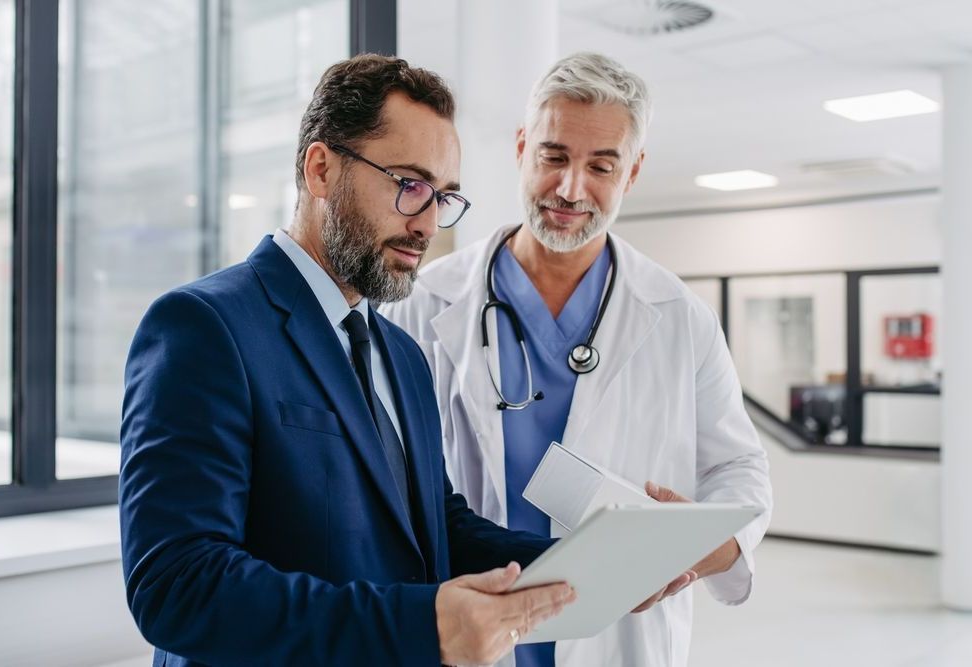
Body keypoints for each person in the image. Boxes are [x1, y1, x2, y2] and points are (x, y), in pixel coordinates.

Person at [118, 54, 578, 667]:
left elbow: (437, 524)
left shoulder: (406, 355)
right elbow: (178, 586)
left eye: (444, 198)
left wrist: (580, 564)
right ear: (320, 168)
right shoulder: (204, 327)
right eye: (409, 186)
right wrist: (418, 625)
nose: (427, 224)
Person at [381, 52, 773, 667]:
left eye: (601, 166)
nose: (571, 189)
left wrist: (704, 545)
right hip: (469, 620)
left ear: (633, 172)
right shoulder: (425, 303)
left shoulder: (678, 316)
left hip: (619, 632)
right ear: (521, 147)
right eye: (554, 157)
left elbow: (739, 468)